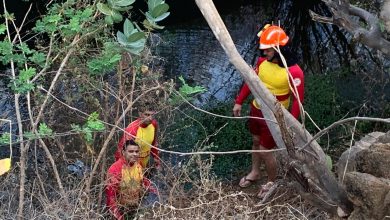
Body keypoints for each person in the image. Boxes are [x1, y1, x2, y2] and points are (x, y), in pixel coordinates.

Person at [232, 24, 304, 198]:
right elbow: (252, 82)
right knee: (256, 142)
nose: (264, 53)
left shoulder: (294, 72)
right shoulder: (262, 62)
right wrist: (239, 101)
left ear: (279, 48)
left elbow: (297, 102)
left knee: (266, 150)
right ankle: (255, 172)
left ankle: (272, 182)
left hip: (273, 116)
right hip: (256, 110)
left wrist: (289, 124)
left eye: (268, 50)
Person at [106, 139, 158, 220]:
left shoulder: (138, 166)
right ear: (123, 152)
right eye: (131, 151)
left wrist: (152, 188)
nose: (135, 154)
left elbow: (141, 179)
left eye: (137, 151)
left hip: (135, 205)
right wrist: (119, 216)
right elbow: (111, 198)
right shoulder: (115, 169)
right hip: (121, 209)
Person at [116, 104, 160, 169]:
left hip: (144, 165)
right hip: (132, 167)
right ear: (140, 114)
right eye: (147, 115)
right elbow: (120, 152)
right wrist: (120, 170)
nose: (150, 118)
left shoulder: (153, 124)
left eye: (152, 115)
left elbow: (153, 144)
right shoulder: (132, 130)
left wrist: (156, 160)